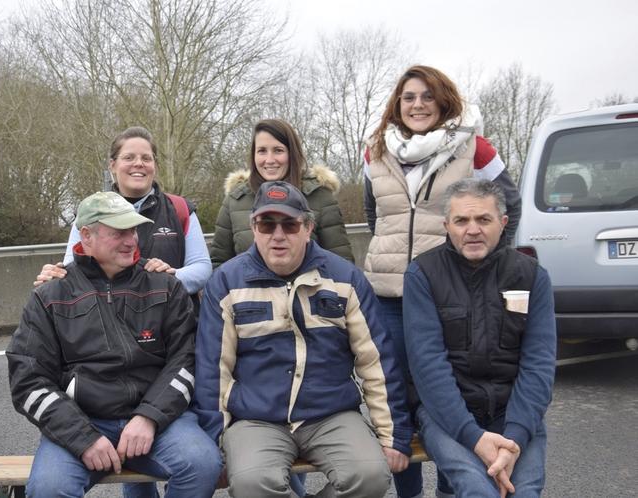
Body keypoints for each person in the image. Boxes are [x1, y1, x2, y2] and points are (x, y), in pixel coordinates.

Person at [362, 65, 523, 498]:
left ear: (443, 100)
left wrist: (486, 267)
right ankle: (408, 491)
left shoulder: (475, 147)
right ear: (398, 104)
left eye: (427, 96)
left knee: (450, 394)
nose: (417, 105)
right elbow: (375, 215)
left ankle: (451, 490)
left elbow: (511, 205)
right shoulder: (375, 150)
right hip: (388, 293)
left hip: (450, 289)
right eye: (409, 97)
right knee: (396, 399)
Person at [194, 181, 412, 498]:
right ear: (254, 227)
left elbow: (376, 361)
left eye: (289, 224)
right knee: (252, 483)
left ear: (308, 227)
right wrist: (215, 439)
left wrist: (392, 435)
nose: (278, 235)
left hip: (331, 414)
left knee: (371, 476)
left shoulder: (345, 279)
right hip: (256, 418)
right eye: (267, 224)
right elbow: (214, 370)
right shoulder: (226, 283)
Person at [7, 191, 222, 498]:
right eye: (119, 232)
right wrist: (84, 439)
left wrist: (149, 417)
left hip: (159, 420)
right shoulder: (50, 295)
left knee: (201, 464)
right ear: (86, 235)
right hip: (83, 421)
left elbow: (187, 359)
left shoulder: (164, 286)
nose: (131, 240)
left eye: (133, 230)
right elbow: (28, 380)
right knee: (48, 490)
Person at [404, 178, 556, 497]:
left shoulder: (532, 276)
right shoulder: (422, 275)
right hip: (449, 415)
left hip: (513, 412)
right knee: (479, 491)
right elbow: (429, 369)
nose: (472, 229)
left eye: (483, 219)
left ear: (502, 223)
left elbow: (538, 365)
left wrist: (512, 440)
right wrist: (474, 437)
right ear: (447, 225)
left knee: (523, 492)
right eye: (461, 220)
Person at [35, 126, 212, 300]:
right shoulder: (89, 212)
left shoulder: (180, 208)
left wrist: (167, 278)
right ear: (113, 165)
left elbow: (202, 268)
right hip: (106, 321)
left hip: (172, 323)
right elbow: (73, 266)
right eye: (129, 157)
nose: (138, 163)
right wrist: (57, 276)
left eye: (146, 158)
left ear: (155, 165)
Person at [209, 118, 353, 267]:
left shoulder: (320, 197)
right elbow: (219, 264)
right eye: (262, 151)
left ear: (292, 154)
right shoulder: (235, 200)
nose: (269, 160)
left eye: (278, 150)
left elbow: (343, 264)